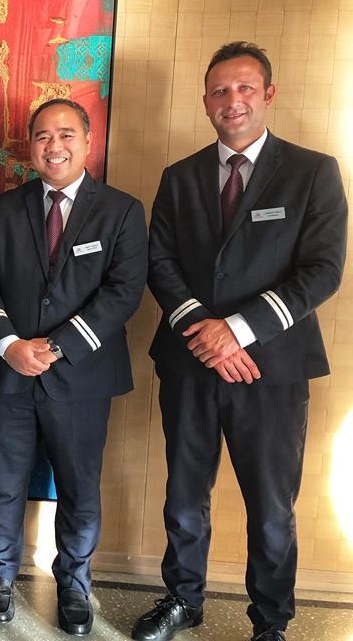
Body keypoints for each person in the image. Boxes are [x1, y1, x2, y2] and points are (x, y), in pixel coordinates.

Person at [133, 42, 347, 641]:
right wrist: (207, 331)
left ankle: (270, 621)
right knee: (184, 494)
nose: (233, 100)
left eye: (245, 88)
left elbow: (322, 271)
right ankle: (183, 600)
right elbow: (161, 261)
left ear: (268, 94)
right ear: (206, 103)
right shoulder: (179, 177)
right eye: (221, 91)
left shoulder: (313, 171)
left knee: (272, 505)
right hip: (190, 363)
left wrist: (239, 331)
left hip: (271, 369)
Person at [0, 98, 147, 634]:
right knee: (3, 482)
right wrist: (9, 345)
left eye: (66, 134)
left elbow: (123, 293)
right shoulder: (4, 208)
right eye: (43, 136)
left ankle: (74, 583)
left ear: (88, 141)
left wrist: (55, 346)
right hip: (10, 373)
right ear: (31, 147)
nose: (55, 146)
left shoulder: (121, 210)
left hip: (81, 376)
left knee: (78, 486)